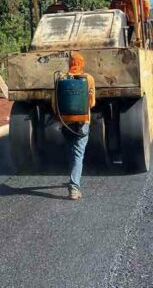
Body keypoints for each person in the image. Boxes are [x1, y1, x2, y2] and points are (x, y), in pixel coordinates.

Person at [58, 52, 95, 200]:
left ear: (70, 63)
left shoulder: (61, 78)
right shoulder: (89, 78)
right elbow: (92, 102)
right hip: (83, 122)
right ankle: (74, 188)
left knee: (71, 152)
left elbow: (55, 103)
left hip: (66, 122)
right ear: (82, 63)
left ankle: (73, 178)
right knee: (78, 155)